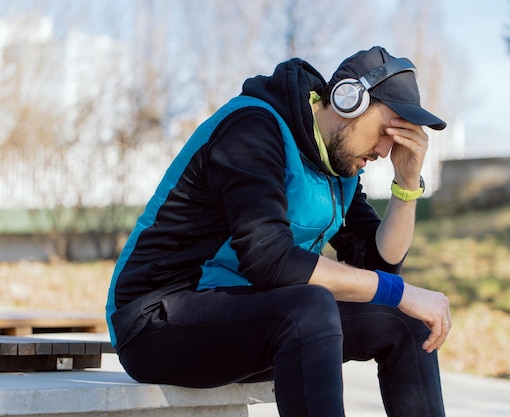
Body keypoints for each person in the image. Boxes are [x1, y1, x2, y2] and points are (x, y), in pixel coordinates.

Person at [106, 45, 451, 417]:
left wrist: (407, 183)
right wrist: (399, 291)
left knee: (409, 320)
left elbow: (379, 269)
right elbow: (269, 260)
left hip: (249, 322)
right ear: (347, 99)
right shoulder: (253, 128)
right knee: (310, 305)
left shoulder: (338, 168)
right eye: (386, 132)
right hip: (155, 322)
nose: (385, 150)